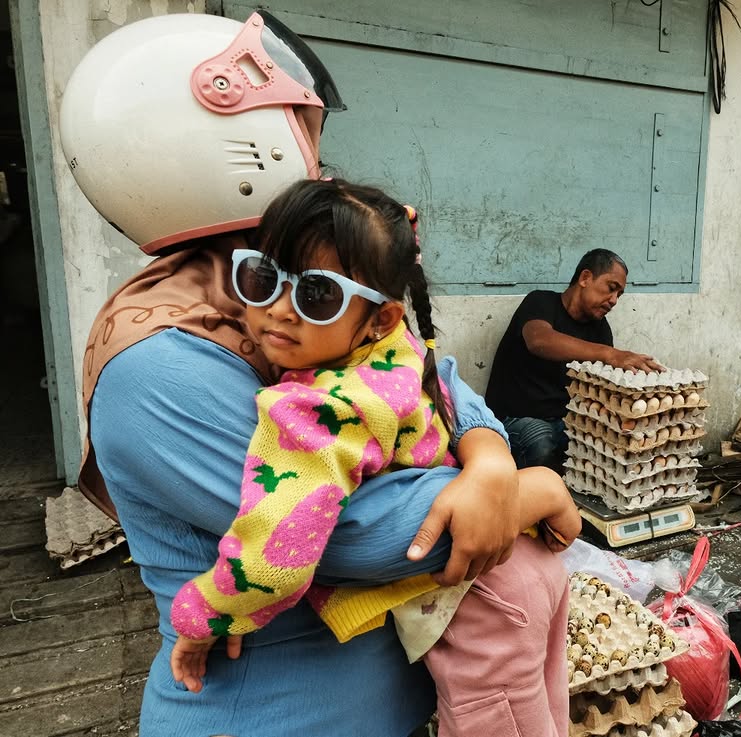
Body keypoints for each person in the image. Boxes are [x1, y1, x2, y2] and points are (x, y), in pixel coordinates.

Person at [60, 11, 541, 736]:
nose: (317, 157)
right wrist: (534, 490)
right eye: (305, 130)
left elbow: (424, 372)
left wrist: (492, 460)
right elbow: (360, 536)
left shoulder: (281, 274)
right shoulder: (155, 365)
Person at [168, 179, 578, 737]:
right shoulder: (398, 349)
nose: (279, 311)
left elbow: (275, 557)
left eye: (317, 295)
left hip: (482, 598)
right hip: (525, 569)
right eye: (263, 279)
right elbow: (454, 391)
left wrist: (206, 617)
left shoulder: (321, 408)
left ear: (380, 318)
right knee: (545, 715)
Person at [485, 249, 663, 470]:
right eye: (611, 288)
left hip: (565, 422)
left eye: (619, 294)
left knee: (611, 444)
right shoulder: (540, 302)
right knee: (541, 443)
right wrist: (610, 354)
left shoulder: (600, 330)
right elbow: (539, 340)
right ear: (585, 278)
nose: (614, 300)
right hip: (514, 419)